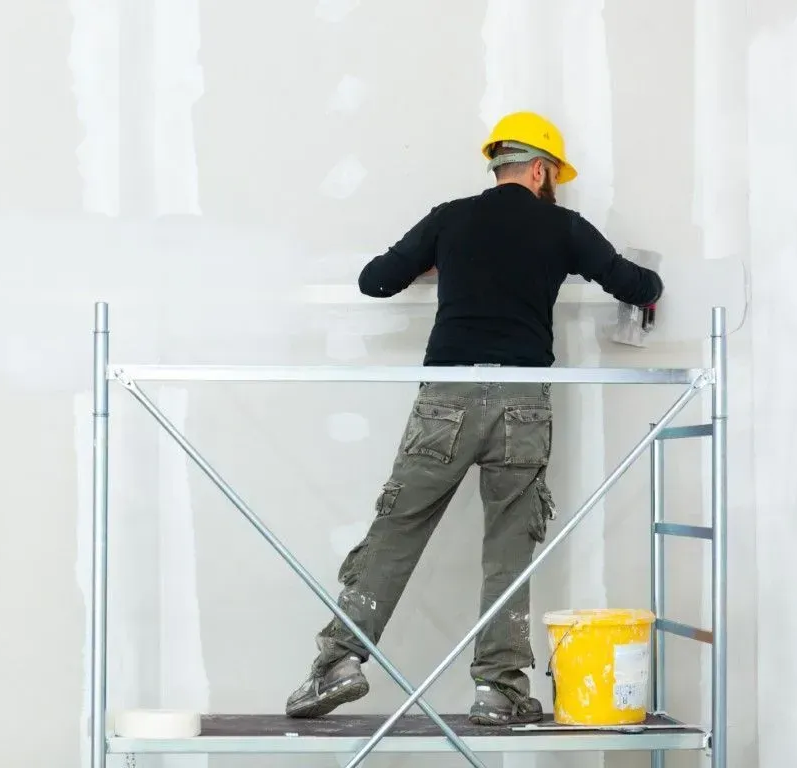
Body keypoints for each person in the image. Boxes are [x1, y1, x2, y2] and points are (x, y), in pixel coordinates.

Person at [283, 111, 664, 725]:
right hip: (523, 403)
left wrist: (440, 264)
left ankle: (337, 663)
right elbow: (636, 283)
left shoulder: (450, 218)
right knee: (510, 545)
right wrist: (641, 283)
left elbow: (375, 282)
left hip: (446, 401)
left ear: (499, 165)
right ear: (541, 170)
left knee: (398, 530)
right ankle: (500, 690)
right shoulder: (564, 227)